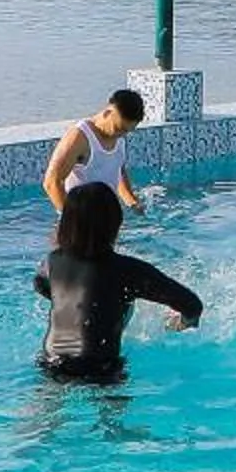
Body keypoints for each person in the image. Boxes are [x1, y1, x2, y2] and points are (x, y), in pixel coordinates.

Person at [34, 182, 202, 382]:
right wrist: (179, 324)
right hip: (102, 369)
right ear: (116, 223)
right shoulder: (129, 271)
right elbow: (192, 305)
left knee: (48, 407)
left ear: (66, 223)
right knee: (111, 410)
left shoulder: (52, 262)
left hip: (53, 363)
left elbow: (40, 285)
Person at [44, 87, 146, 216]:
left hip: (106, 218)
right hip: (79, 218)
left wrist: (131, 201)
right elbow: (52, 182)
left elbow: (118, 169)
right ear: (107, 113)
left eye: (127, 131)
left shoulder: (119, 136)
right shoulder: (79, 137)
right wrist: (73, 221)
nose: (121, 135)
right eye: (119, 128)